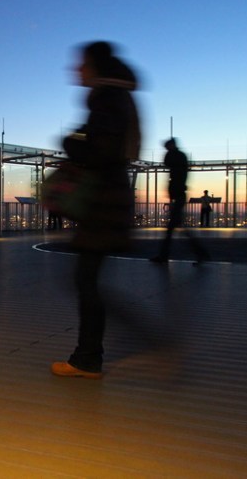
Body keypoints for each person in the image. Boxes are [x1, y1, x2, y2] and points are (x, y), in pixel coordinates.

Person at [51, 41, 141, 380]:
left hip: (103, 203)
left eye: (81, 64)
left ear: (96, 67)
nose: (76, 70)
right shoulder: (117, 97)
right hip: (109, 201)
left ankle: (89, 357)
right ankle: (89, 356)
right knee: (87, 279)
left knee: (85, 280)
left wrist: (70, 142)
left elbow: (99, 149)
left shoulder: (106, 99)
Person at [151, 139, 209, 263]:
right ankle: (199, 253)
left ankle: (199, 253)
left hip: (177, 196)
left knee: (174, 229)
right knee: (176, 229)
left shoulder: (176, 157)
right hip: (178, 196)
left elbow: (168, 163)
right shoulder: (180, 157)